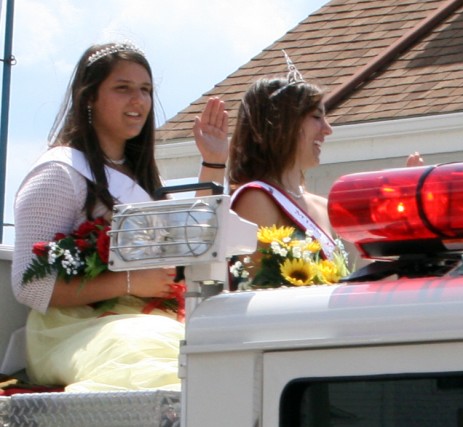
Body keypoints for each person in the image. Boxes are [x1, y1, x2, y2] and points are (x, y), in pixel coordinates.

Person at [11, 41, 228, 392]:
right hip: (73, 330)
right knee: (158, 361)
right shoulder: (59, 173)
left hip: (148, 319)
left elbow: (187, 246)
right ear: (89, 98)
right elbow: (29, 284)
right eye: (123, 89)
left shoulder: (143, 177)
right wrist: (127, 284)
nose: (138, 100)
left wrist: (213, 161)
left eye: (145, 90)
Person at [226, 52, 423, 285]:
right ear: (281, 125)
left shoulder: (323, 206)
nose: (328, 129)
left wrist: (408, 210)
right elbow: (257, 287)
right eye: (316, 117)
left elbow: (365, 279)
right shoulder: (255, 199)